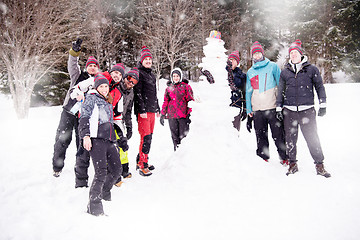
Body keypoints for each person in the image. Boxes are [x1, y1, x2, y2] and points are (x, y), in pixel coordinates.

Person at [276, 40, 331, 178]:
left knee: (312, 138)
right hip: (289, 111)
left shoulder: (311, 69)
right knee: (290, 139)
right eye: (291, 53)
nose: (293, 55)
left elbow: (319, 87)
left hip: (307, 110)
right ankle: (292, 164)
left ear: (301, 54)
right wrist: (278, 108)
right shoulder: (285, 72)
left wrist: (322, 104)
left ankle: (320, 165)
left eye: (295, 53)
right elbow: (281, 90)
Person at [52, 38, 100, 177]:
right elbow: (72, 64)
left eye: (94, 66)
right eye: (90, 65)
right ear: (86, 67)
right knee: (62, 140)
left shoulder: (98, 81)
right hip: (69, 112)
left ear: (97, 68)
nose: (92, 67)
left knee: (82, 143)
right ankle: (57, 167)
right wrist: (75, 52)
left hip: (84, 117)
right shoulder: (78, 76)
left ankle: (80, 170)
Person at [78, 74, 122, 216]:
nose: (104, 89)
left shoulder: (108, 101)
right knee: (101, 172)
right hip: (96, 140)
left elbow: (110, 122)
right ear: (96, 87)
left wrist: (116, 140)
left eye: (106, 86)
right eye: (101, 86)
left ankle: (104, 192)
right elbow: (83, 118)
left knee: (116, 170)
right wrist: (86, 136)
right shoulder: (91, 99)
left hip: (108, 140)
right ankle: (94, 206)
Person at [245, 41, 288, 165]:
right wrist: (249, 109)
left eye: (259, 53)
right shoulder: (250, 72)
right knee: (260, 135)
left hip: (272, 106)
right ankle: (263, 158)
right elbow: (248, 91)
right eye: (255, 54)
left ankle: (284, 157)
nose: (257, 56)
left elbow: (281, 86)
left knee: (278, 135)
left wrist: (281, 104)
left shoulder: (273, 66)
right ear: (252, 56)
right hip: (257, 109)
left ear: (262, 54)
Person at [106, 66, 140, 186]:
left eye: (134, 81)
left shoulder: (131, 93)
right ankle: (112, 172)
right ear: (124, 77)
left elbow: (129, 111)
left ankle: (124, 169)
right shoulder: (116, 87)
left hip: (121, 121)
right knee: (113, 147)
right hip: (110, 121)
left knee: (123, 146)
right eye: (129, 79)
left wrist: (129, 126)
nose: (131, 83)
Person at [133, 46, 160, 176]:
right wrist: (141, 109)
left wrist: (158, 107)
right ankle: (143, 166)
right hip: (143, 112)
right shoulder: (139, 73)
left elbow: (154, 94)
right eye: (146, 59)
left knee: (148, 137)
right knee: (146, 138)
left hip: (152, 110)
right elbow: (137, 93)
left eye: (150, 59)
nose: (148, 61)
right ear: (142, 61)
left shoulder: (152, 75)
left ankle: (142, 160)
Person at [160, 68, 194, 151]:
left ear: (180, 77)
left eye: (177, 76)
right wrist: (163, 114)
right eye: (174, 76)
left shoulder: (186, 87)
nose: (176, 78)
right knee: (174, 136)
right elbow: (166, 101)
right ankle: (176, 153)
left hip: (183, 116)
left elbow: (190, 100)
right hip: (172, 116)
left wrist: (190, 114)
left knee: (183, 136)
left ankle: (184, 155)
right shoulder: (168, 88)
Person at [226, 50, 247, 131]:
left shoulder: (242, 76)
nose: (231, 62)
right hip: (223, 107)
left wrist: (245, 109)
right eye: (230, 60)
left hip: (236, 106)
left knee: (234, 134)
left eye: (234, 60)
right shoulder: (222, 73)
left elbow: (245, 93)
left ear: (237, 63)